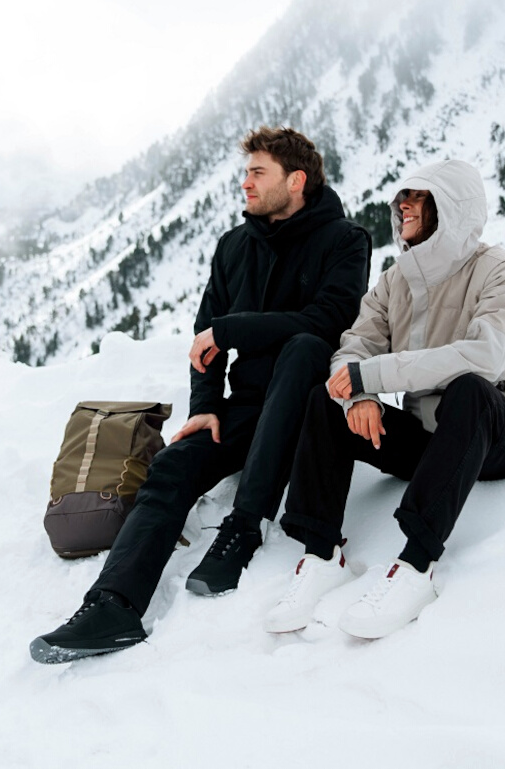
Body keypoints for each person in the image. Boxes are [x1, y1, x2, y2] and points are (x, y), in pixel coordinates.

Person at [31, 127, 371, 663]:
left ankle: (243, 528)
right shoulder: (234, 247)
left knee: (305, 345)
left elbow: (328, 320)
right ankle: (113, 607)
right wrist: (206, 405)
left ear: (296, 180)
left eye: (258, 172)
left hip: (307, 409)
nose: (246, 183)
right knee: (173, 465)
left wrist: (233, 330)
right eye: (246, 172)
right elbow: (204, 338)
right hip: (245, 407)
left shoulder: (346, 240)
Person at [263, 158, 505, 640]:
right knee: (326, 399)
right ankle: (321, 556)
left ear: (452, 208)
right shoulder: (395, 281)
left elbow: (485, 357)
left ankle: (416, 566)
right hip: (435, 438)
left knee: (469, 389)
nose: (404, 205)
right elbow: (352, 350)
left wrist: (371, 375)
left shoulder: (498, 270)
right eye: (403, 196)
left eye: (419, 196)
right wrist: (357, 395)